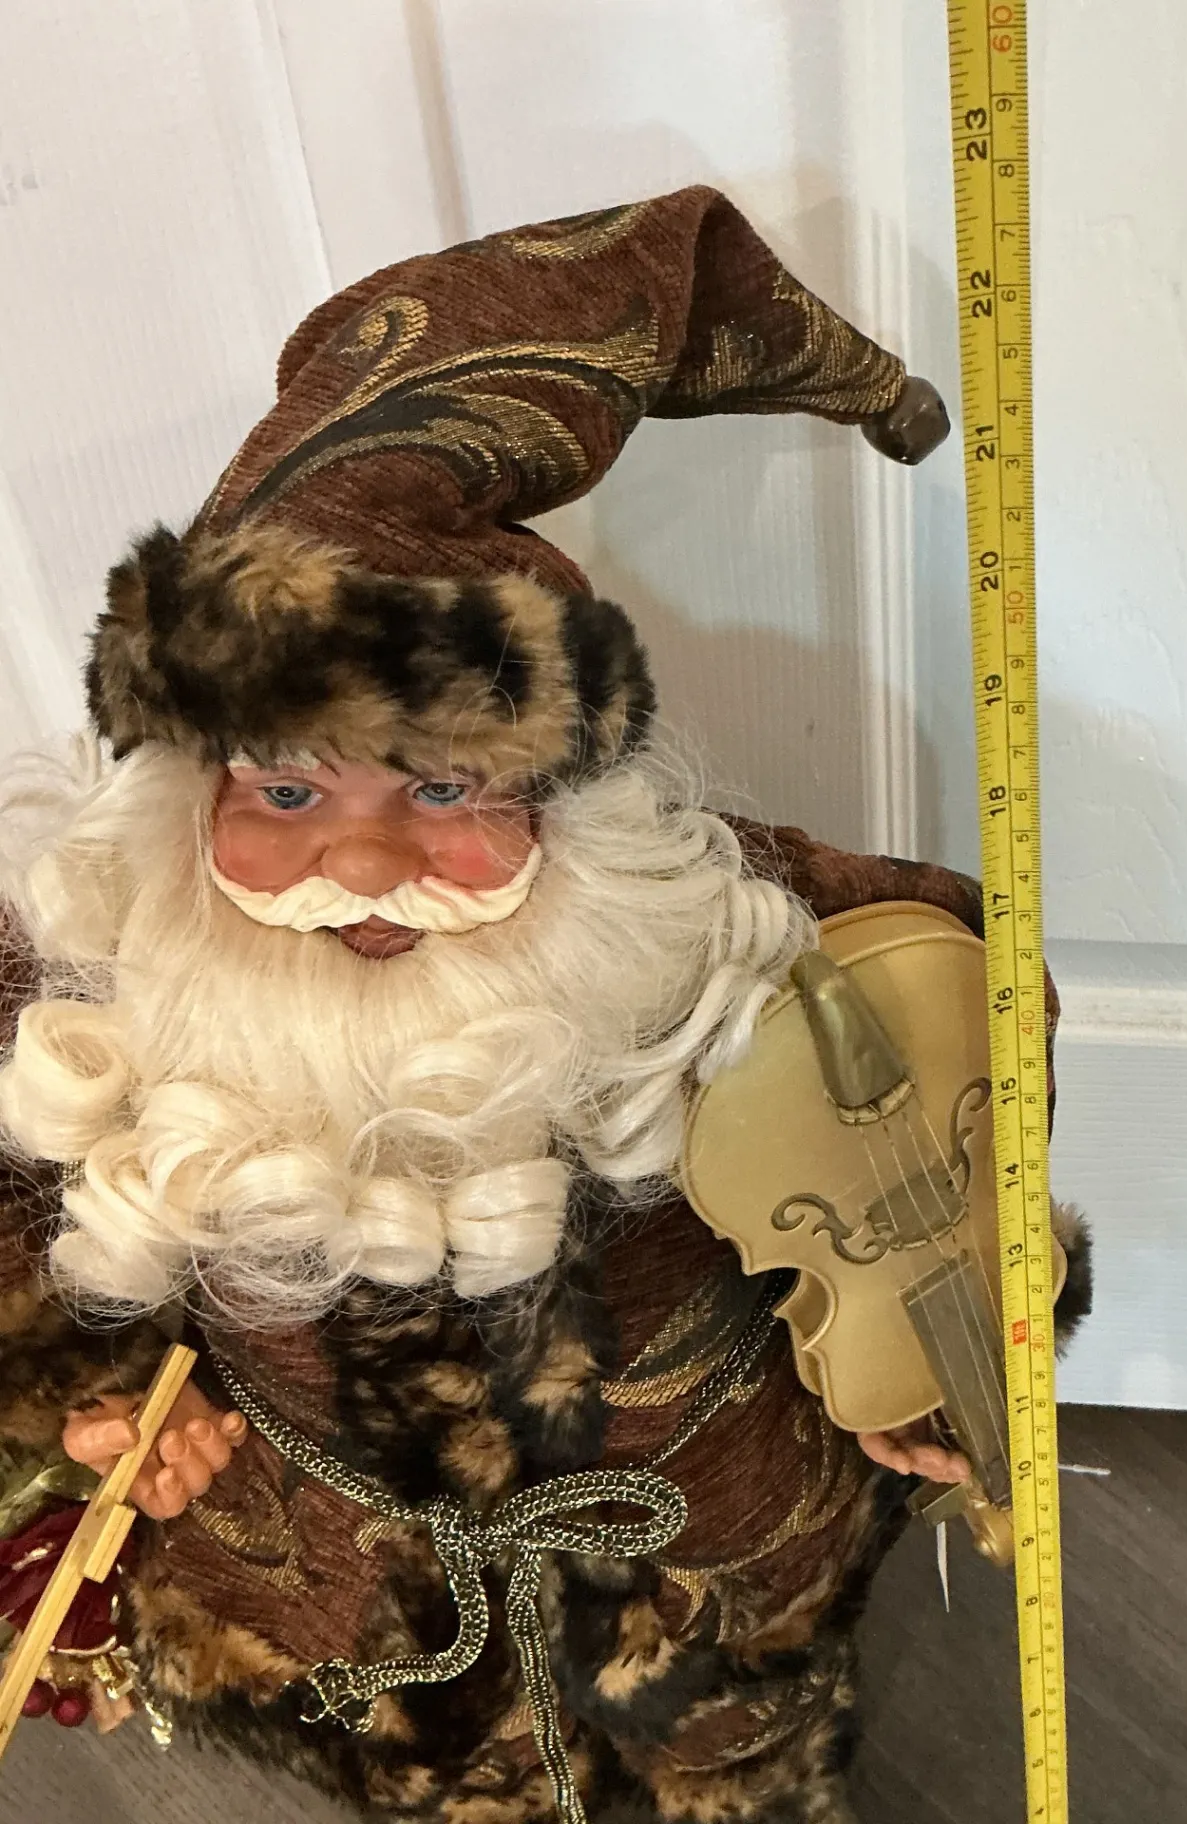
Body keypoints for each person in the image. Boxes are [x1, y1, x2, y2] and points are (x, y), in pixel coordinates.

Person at [0, 188, 1088, 1823]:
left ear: (562, 789)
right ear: (183, 791)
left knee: (737, 1757)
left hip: (707, 1542)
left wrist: (937, 1331)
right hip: (353, 1593)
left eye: (445, 785)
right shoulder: (93, 977)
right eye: (285, 790)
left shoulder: (716, 922)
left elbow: (956, 1051)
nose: (365, 861)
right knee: (441, 1778)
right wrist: (91, 1407)